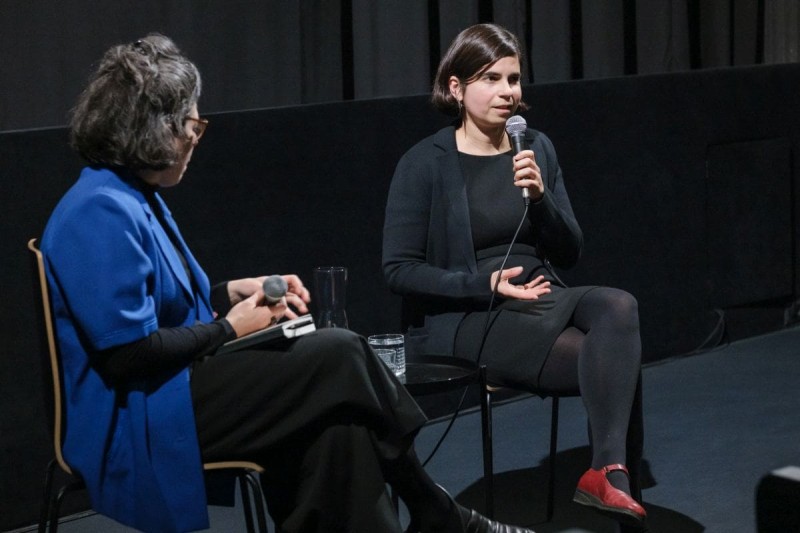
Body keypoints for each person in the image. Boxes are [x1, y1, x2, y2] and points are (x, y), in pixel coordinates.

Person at [40, 34, 535, 533]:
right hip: (138, 415)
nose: (196, 136)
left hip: (171, 388)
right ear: (155, 128)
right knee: (338, 352)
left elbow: (157, 310)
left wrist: (230, 293)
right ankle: (437, 510)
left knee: (339, 424)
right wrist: (229, 329)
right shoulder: (99, 210)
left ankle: (432, 515)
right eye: (192, 123)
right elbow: (127, 354)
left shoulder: (131, 196)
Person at [382, 23, 647, 529]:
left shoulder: (536, 147)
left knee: (620, 307)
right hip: (469, 316)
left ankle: (606, 472)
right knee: (617, 365)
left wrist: (541, 200)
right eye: (491, 79)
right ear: (456, 89)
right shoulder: (424, 164)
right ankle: (620, 494)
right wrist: (485, 284)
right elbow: (398, 269)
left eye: (515, 79)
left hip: (543, 298)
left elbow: (569, 252)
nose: (508, 92)